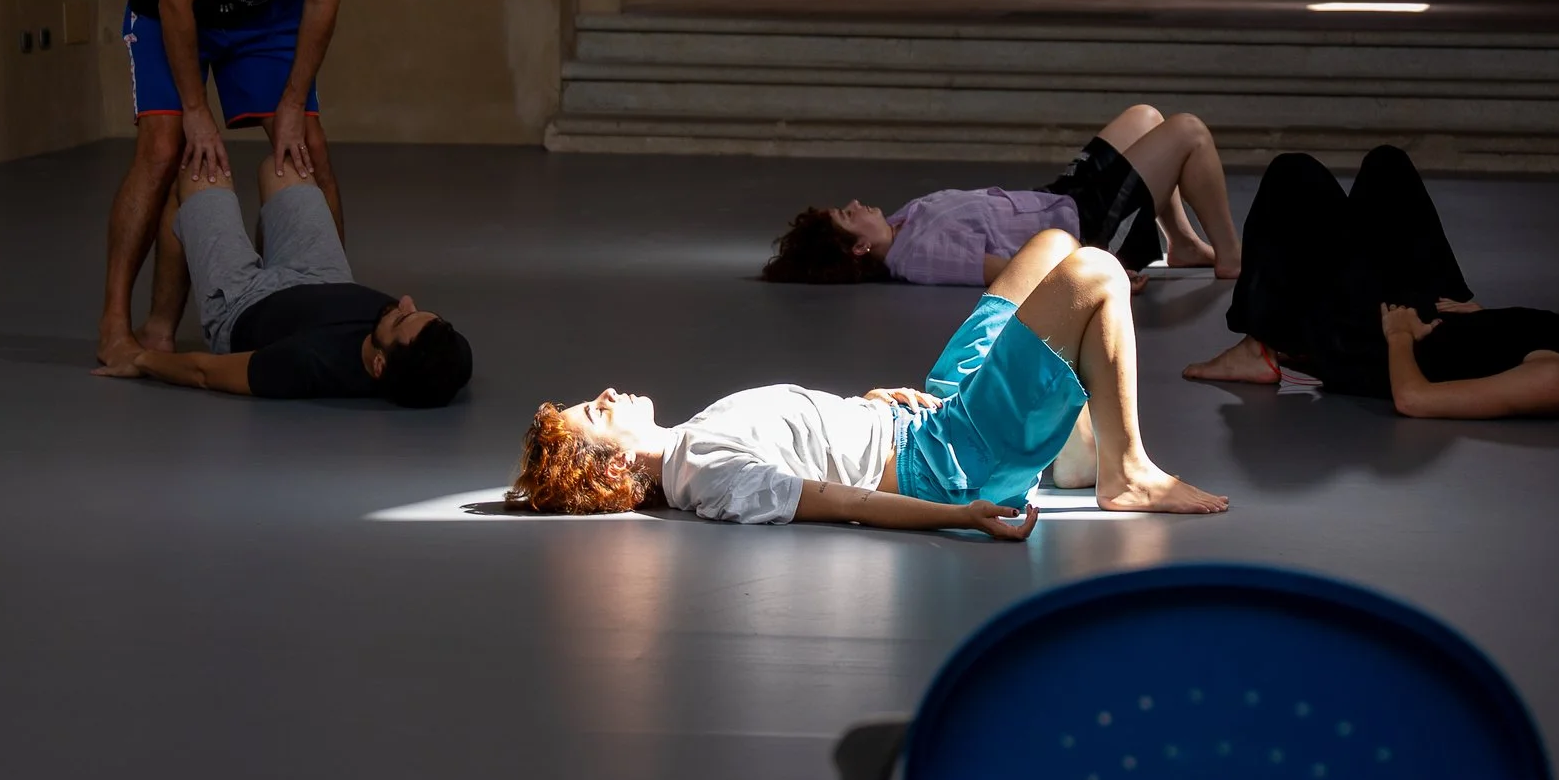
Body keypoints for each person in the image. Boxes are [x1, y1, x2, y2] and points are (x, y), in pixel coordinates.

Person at [508, 230, 1227, 534]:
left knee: (1052, 247)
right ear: (614, 467)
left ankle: (1065, 451)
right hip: (948, 460)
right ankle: (1125, 471)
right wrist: (960, 516)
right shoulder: (709, 473)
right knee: (1095, 272)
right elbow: (841, 500)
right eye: (596, 413)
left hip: (925, 417)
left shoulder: (694, 437)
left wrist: (868, 406)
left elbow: (815, 440)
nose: (606, 395)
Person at [1181, 147, 1559, 432]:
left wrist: (1399, 335)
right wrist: (1479, 317)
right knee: (1387, 168)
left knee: (1296, 177)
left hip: (1379, 344)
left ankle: (1261, 342)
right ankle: (1290, 325)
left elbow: (1415, 400)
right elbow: (1512, 340)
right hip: (1435, 318)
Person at [96, 0, 359, 363]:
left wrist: (292, 104)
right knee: (165, 150)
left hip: (262, 12)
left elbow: (321, 1)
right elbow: (174, 3)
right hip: (173, 11)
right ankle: (120, 323)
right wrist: (195, 111)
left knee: (308, 146)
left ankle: (328, 311)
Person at [92, 149, 473, 407]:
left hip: (243, 301)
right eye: (417, 311)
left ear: (378, 366)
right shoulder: (446, 355)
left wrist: (142, 360)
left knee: (197, 173)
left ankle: (158, 328)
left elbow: (203, 373)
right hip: (324, 275)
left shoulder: (306, 363)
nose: (404, 302)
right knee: (284, 165)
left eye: (402, 319)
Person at [762, 104, 1241, 286]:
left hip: (1060, 199)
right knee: (1188, 132)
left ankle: (1182, 244)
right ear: (860, 248)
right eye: (848, 216)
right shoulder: (920, 255)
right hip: (1085, 227)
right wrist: (1098, 275)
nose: (855, 205)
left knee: (1145, 118)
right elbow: (1014, 273)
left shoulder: (902, 223)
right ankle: (1231, 257)